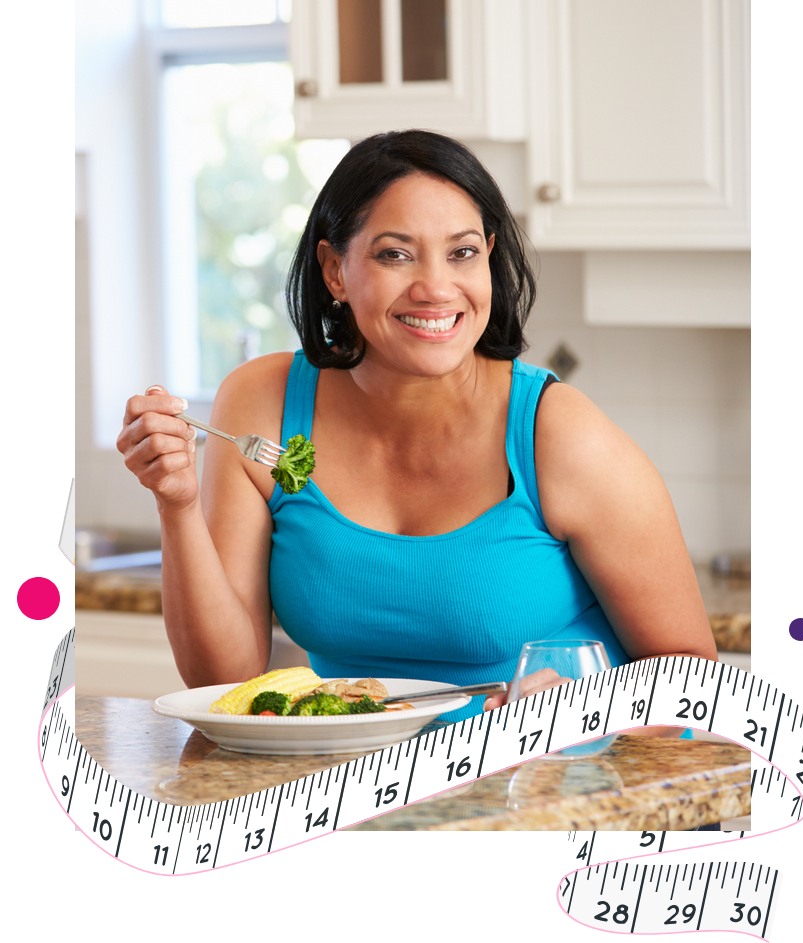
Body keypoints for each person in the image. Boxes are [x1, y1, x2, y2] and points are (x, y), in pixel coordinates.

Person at [117, 129, 717, 724]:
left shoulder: (556, 433)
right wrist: (178, 504)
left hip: (546, 787)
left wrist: (576, 708)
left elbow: (696, 683)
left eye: (462, 252)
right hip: (355, 788)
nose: (435, 288)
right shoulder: (262, 402)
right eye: (394, 254)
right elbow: (226, 681)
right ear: (334, 270)